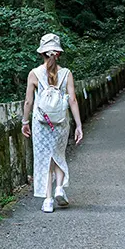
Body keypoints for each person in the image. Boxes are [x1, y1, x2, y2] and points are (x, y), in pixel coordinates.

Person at [22, 33, 84, 213]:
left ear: (42, 53)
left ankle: (48, 199)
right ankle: (59, 188)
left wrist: (24, 121)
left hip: (41, 122)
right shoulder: (66, 74)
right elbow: (72, 100)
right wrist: (79, 125)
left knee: (45, 158)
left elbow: (28, 102)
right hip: (61, 121)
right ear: (58, 53)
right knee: (58, 153)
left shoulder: (34, 74)